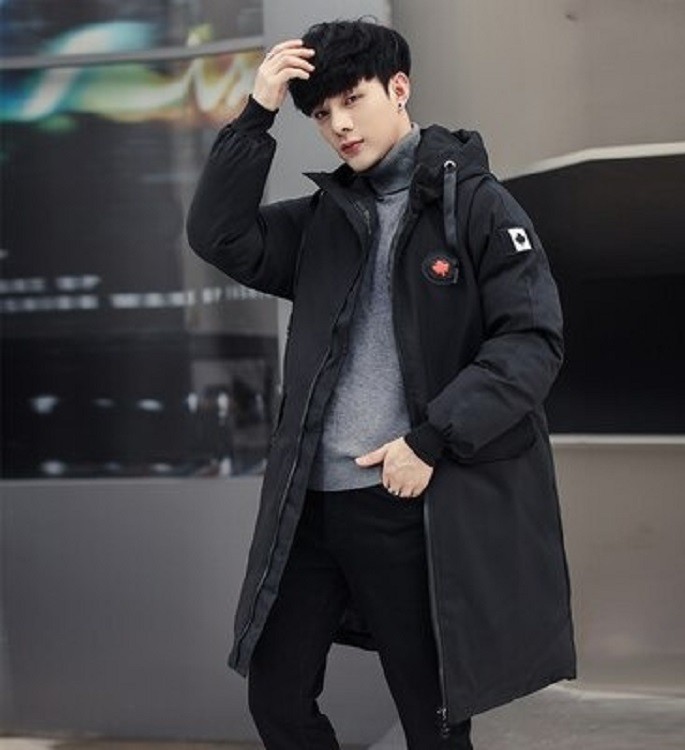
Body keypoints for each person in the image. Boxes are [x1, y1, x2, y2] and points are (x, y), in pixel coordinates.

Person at [187, 19, 576, 749]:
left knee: (434, 724)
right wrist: (257, 114)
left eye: (352, 100)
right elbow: (219, 236)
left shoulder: (478, 207)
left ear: (399, 89)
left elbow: (531, 342)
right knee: (277, 702)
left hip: (406, 504)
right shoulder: (325, 220)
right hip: (309, 508)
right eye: (320, 112)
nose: (338, 125)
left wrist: (430, 441)